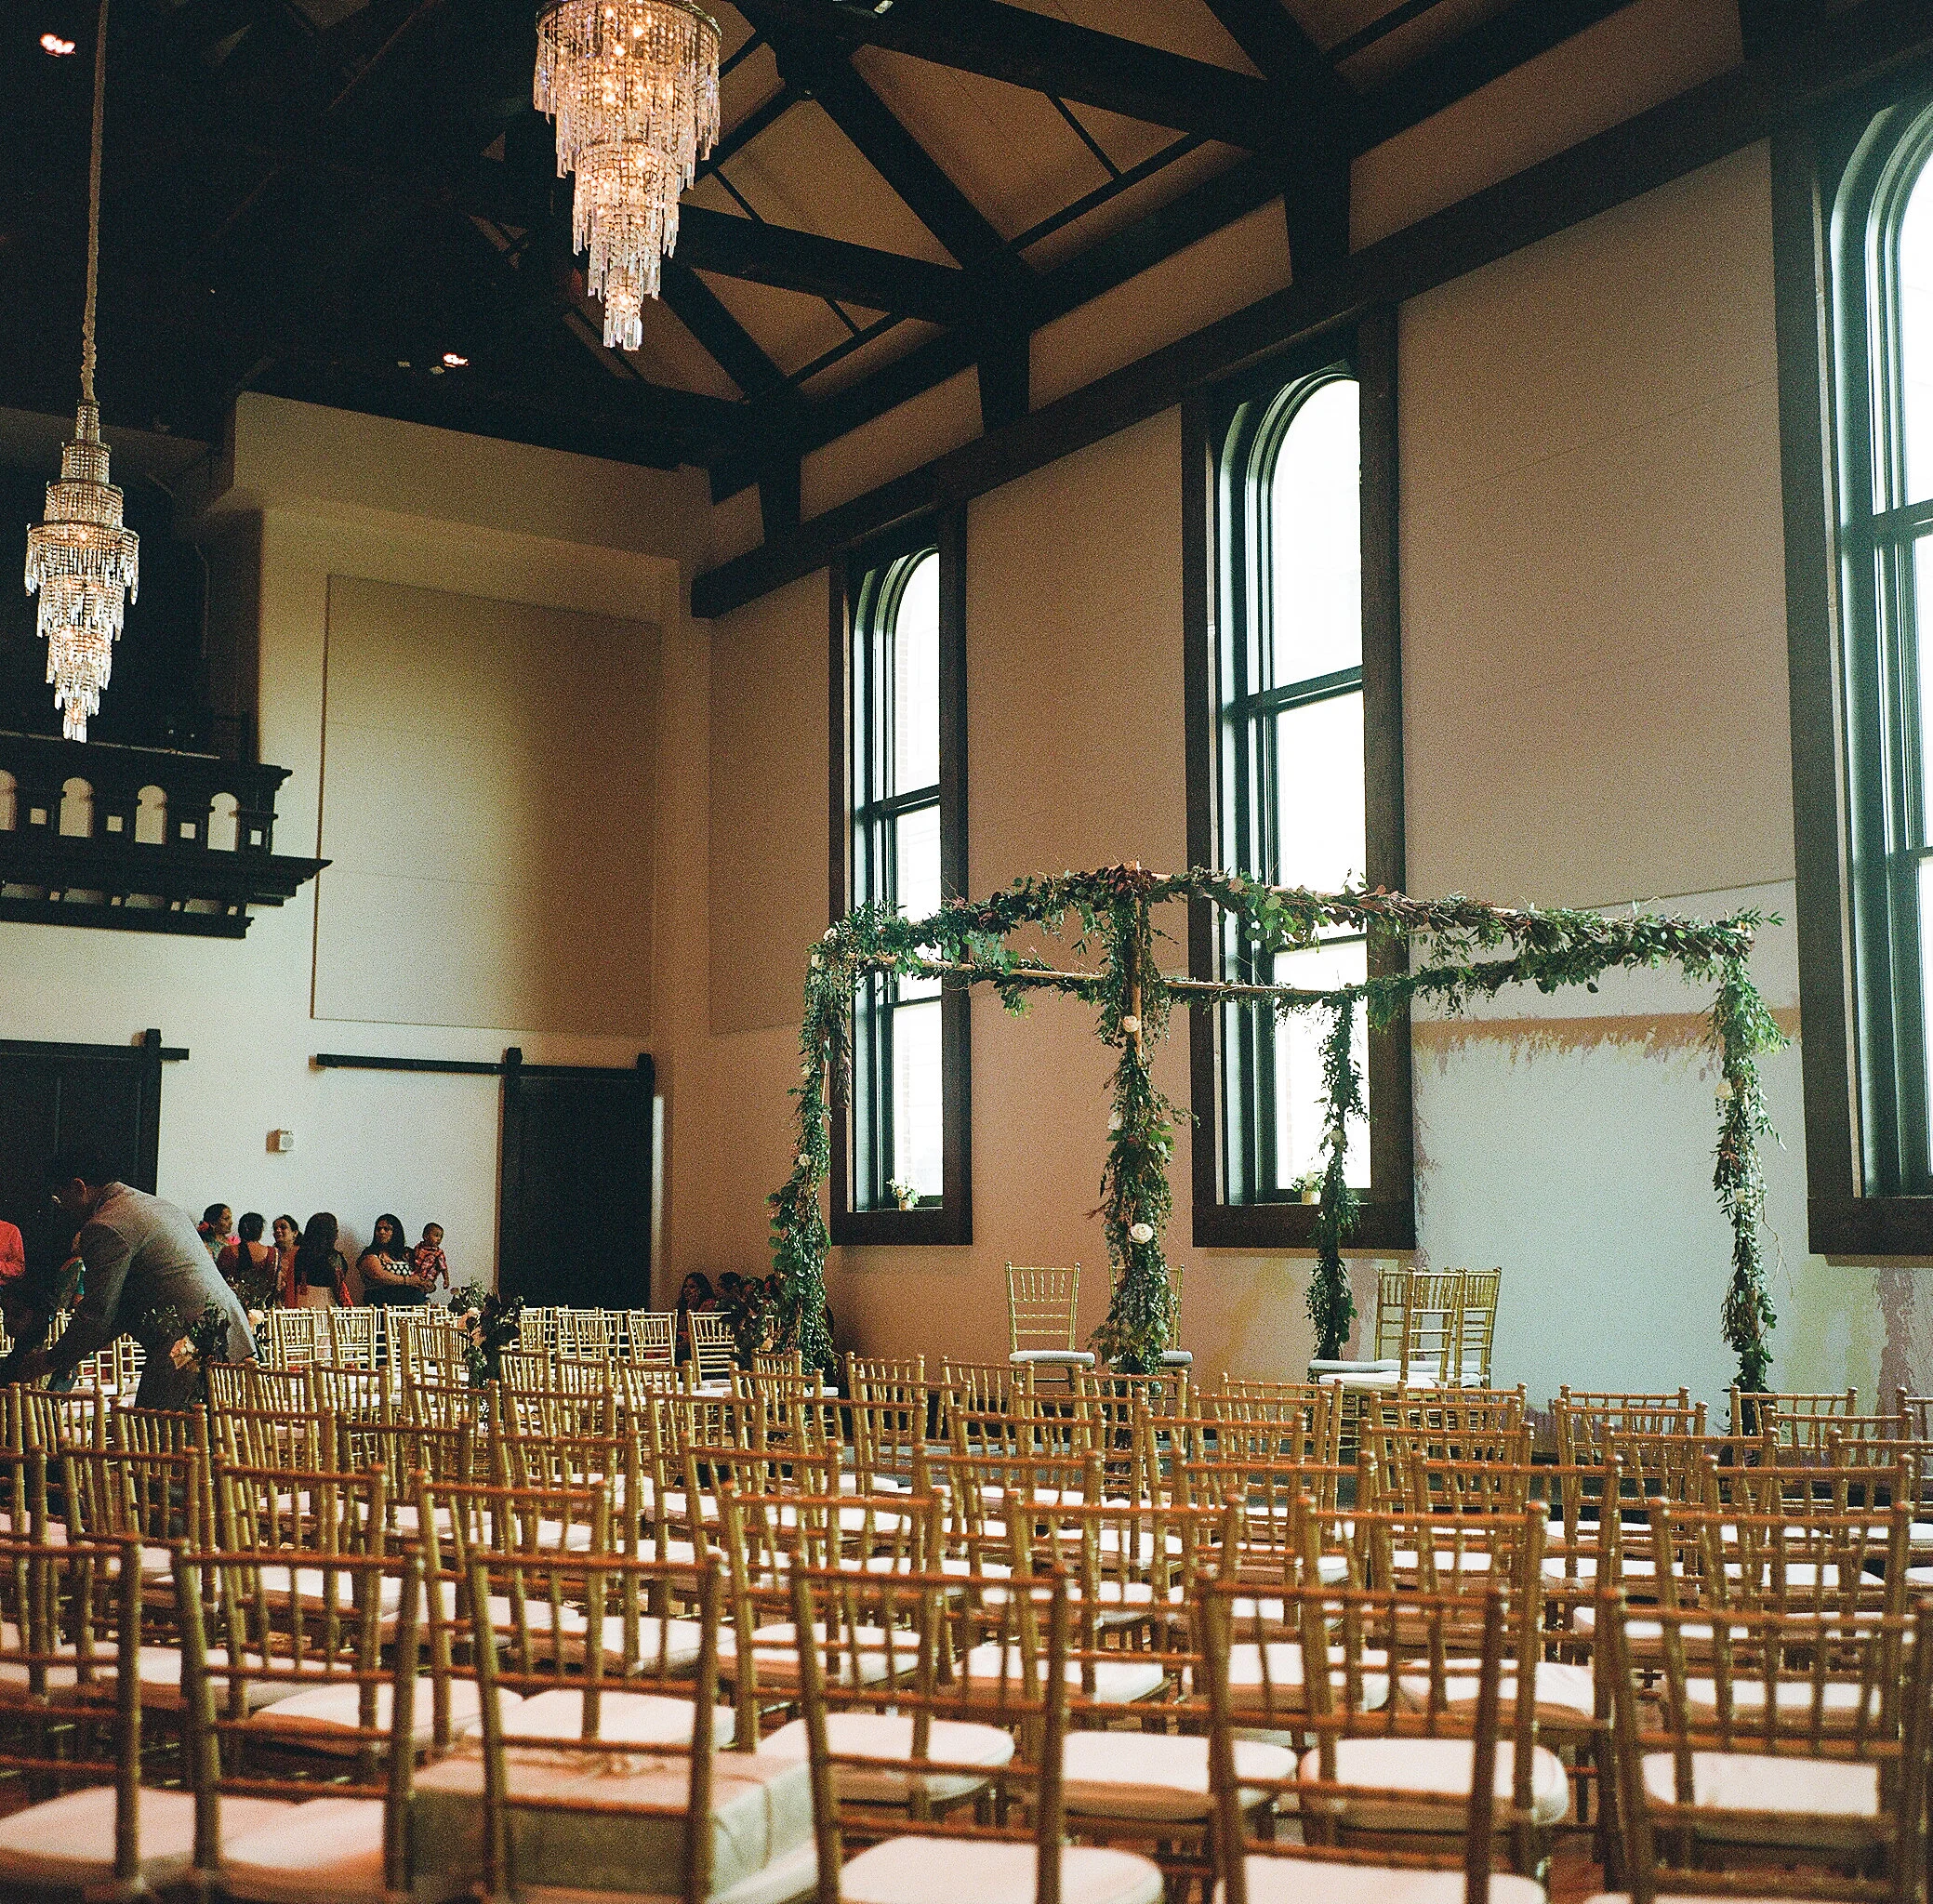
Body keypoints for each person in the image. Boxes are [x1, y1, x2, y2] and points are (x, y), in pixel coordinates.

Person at [0, 1151, 255, 1408]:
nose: (62, 1207)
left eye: (59, 1197)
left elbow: (98, 1314)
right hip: (229, 1337)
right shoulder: (155, 1205)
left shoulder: (106, 1225)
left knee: (162, 1438)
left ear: (79, 1187)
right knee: (214, 1441)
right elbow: (119, 1312)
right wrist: (63, 1357)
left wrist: (50, 1360)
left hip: (187, 1350)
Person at [357, 1213, 424, 1307]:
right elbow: (378, 1275)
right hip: (381, 1305)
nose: (381, 1232)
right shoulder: (370, 1253)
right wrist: (408, 1281)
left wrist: (425, 1284)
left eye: (386, 1229)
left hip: (408, 1306)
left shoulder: (405, 1254)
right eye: (378, 1229)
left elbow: (419, 1271)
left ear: (396, 1232)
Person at [218, 1212, 277, 1316]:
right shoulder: (273, 1253)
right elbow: (277, 1286)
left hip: (234, 1311)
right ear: (260, 1231)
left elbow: (219, 1281)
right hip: (266, 1312)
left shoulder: (228, 1252)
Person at [290, 1213, 351, 1310]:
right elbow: (338, 1284)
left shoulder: (300, 1254)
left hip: (302, 1301)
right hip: (326, 1303)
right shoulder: (334, 1258)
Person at [673, 1271, 716, 1365]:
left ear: (701, 1289)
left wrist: (692, 1309)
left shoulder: (708, 1304)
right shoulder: (683, 1304)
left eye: (692, 1287)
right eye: (685, 1287)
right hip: (684, 1340)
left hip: (700, 1343)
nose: (687, 1290)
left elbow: (698, 1329)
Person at [410, 1223, 450, 1297]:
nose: (439, 1239)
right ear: (426, 1236)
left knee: (420, 1293)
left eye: (441, 1237)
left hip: (427, 1279)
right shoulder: (419, 1247)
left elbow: (443, 1267)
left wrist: (446, 1280)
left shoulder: (438, 1253)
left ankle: (423, 1300)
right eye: (436, 1236)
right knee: (411, 1292)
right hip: (415, 1276)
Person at [271, 1214, 300, 1307]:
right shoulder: (271, 1254)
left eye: (283, 1227)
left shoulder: (301, 1254)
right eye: (275, 1229)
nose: (278, 1231)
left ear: (295, 1233)